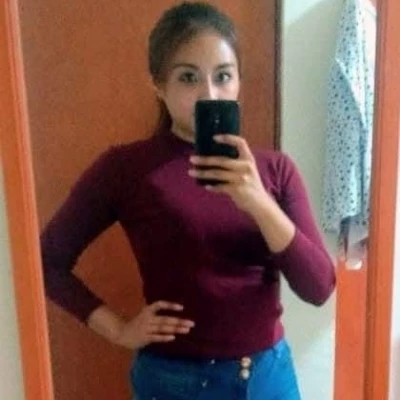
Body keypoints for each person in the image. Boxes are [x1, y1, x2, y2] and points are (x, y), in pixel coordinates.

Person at [41, 2, 336, 399]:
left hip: (268, 378)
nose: (209, 93)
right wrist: (119, 330)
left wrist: (258, 201)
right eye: (188, 77)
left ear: (239, 81)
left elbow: (319, 287)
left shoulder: (274, 170)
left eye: (223, 76)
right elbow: (46, 261)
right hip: (173, 382)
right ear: (158, 84)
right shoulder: (126, 169)